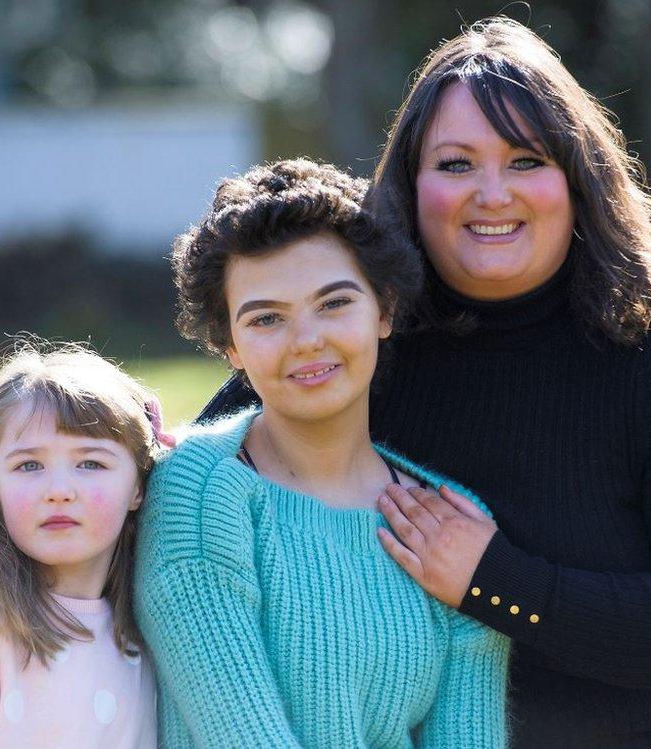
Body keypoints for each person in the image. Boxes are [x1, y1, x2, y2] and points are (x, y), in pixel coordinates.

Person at [0, 16, 651, 748]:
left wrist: (494, 579)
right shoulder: (364, 332)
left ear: (577, 179)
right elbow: (156, 473)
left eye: (526, 160)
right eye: (455, 163)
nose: (491, 192)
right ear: (410, 183)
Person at [135, 158, 509, 745]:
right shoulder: (202, 493)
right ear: (229, 346)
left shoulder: (445, 520)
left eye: (334, 303)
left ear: (383, 310)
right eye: (266, 319)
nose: (307, 340)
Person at [0, 343, 157, 747]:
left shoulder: (148, 626)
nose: (58, 490)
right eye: (28, 465)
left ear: (138, 485)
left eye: (91, 463)